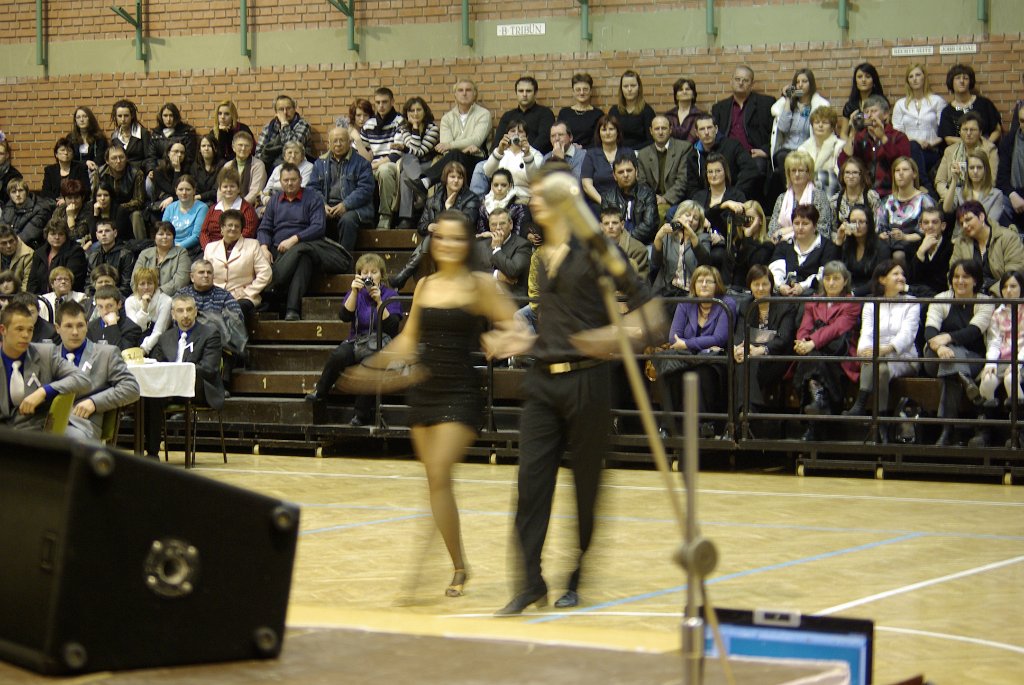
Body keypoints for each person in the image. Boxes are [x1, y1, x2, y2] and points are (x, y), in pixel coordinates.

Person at [487, 165, 647, 615]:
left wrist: (617, 335)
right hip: (543, 379)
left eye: (542, 192)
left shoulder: (597, 249)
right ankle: (530, 582)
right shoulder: (540, 256)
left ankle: (576, 572)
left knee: (585, 487)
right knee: (530, 485)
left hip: (588, 381)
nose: (534, 200)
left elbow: (647, 305)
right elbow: (553, 322)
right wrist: (522, 340)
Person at [349, 210, 519, 599]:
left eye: (456, 238)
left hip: (461, 391)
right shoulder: (425, 284)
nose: (447, 244)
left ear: (468, 243)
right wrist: (370, 368)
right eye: (441, 237)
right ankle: (459, 565)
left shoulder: (480, 285)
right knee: (436, 484)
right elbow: (408, 341)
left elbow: (515, 326)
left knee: (440, 472)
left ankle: (421, 570)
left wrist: (500, 341)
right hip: (425, 388)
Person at [305, 253, 403, 426]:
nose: (369, 276)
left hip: (381, 344)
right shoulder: (355, 293)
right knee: (338, 355)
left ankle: (361, 414)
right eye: (364, 272)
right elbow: (344, 316)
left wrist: (379, 301)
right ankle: (320, 393)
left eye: (374, 272)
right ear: (359, 275)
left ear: (381, 275)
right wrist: (354, 292)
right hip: (358, 341)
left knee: (370, 363)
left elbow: (392, 326)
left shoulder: (390, 295)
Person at [259, 164, 348, 321]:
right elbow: (264, 228)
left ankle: (272, 290)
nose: (290, 183)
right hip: (278, 250)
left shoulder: (312, 198)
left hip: (308, 244)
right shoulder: (274, 201)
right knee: (302, 257)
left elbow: (318, 227)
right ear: (280, 182)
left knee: (302, 252)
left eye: (293, 180)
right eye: (286, 180)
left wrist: (294, 239)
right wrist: (264, 248)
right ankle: (291, 310)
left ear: (300, 180)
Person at [654, 265, 734, 438]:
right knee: (669, 370)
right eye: (700, 281)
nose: (704, 284)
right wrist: (700, 344)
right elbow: (674, 338)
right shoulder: (685, 303)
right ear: (694, 285)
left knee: (702, 373)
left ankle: (704, 426)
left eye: (709, 281)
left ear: (717, 285)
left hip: (712, 360)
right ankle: (667, 426)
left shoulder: (726, 304)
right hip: (687, 357)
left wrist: (687, 343)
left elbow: (719, 338)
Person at [143, 294, 225, 458]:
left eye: (189, 310)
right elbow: (157, 365)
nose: (185, 315)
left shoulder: (210, 334)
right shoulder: (165, 337)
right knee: (149, 395)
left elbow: (208, 369)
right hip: (169, 388)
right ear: (173, 314)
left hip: (198, 387)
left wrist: (178, 374)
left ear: (196, 311)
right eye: (180, 311)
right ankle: (151, 453)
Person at [924, 259, 994, 446]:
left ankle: (947, 431)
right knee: (949, 359)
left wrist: (946, 338)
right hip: (936, 357)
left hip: (973, 360)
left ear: (975, 280)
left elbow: (973, 331)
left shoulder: (985, 302)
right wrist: (940, 347)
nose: (960, 281)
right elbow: (930, 330)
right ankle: (965, 380)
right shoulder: (941, 298)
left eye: (966, 277)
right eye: (956, 277)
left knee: (951, 371)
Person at [845, 260, 920, 428]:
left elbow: (907, 335)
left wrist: (883, 350)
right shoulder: (872, 303)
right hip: (876, 357)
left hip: (903, 357)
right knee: (880, 368)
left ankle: (861, 405)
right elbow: (867, 332)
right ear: (882, 279)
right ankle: (881, 422)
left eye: (902, 274)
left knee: (877, 362)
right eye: (895, 274)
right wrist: (865, 350)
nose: (901, 277)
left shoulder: (912, 302)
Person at [0, 300, 90, 438]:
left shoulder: (45, 354)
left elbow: (83, 379)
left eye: (30, 330)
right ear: (3, 330)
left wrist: (44, 391)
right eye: (19, 329)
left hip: (35, 434)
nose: (25, 335)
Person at [792, 260, 861, 439]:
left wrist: (811, 343)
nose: (831, 283)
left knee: (814, 361)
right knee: (814, 362)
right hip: (815, 354)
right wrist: (802, 341)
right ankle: (818, 403)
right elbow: (805, 326)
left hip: (840, 354)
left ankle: (812, 426)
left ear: (845, 281)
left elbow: (836, 329)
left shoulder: (852, 303)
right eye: (827, 278)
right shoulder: (813, 301)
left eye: (836, 279)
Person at [53, 299, 140, 440]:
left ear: (87, 326)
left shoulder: (106, 354)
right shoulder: (48, 355)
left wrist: (94, 402)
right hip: (45, 423)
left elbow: (131, 388)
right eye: (68, 326)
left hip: (81, 425)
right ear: (57, 328)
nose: (75, 332)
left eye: (80, 325)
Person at [390, 161, 481, 289]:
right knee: (431, 238)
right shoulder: (433, 199)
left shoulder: (471, 198)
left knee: (430, 239)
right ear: (445, 179)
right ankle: (415, 283)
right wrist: (428, 226)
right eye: (452, 177)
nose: (456, 181)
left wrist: (449, 209)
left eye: (460, 177)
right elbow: (421, 226)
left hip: (461, 241)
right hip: (437, 245)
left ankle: (404, 275)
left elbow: (467, 223)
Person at [732, 264, 797, 423]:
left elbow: (784, 339)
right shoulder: (746, 305)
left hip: (776, 358)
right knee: (743, 361)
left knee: (747, 362)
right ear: (750, 286)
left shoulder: (785, 306)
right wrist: (738, 348)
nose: (760, 288)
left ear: (771, 285)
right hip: (751, 356)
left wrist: (762, 350)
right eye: (756, 284)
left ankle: (746, 412)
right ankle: (748, 411)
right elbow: (739, 333)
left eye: (764, 284)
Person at [308, 127, 376, 255]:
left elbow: (365, 189)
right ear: (329, 143)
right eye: (334, 141)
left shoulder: (362, 163)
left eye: (342, 140)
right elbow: (312, 188)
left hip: (356, 209)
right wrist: (322, 205)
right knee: (315, 217)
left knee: (347, 220)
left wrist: (345, 205)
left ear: (349, 142)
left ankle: (344, 260)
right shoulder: (319, 164)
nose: (338, 144)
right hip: (328, 207)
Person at [711, 65, 776, 191]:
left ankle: (737, 197)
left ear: (752, 84)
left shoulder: (766, 103)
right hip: (728, 155)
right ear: (731, 81)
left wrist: (766, 151)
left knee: (755, 168)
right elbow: (716, 136)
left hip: (754, 155)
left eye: (745, 80)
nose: (740, 83)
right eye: (737, 79)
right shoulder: (719, 108)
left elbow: (775, 133)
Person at [204, 209, 273, 320]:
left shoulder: (252, 245)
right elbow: (205, 275)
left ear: (241, 229)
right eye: (229, 225)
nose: (233, 228)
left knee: (234, 309)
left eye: (237, 226)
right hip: (215, 296)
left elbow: (266, 273)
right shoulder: (210, 248)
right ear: (222, 228)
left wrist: (248, 291)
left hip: (243, 297)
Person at [838, 95, 911, 198]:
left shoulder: (898, 137)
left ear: (885, 114)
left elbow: (902, 164)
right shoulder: (860, 137)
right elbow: (843, 163)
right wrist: (853, 132)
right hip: (863, 194)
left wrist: (883, 137)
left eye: (873, 111)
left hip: (891, 193)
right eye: (866, 112)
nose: (869, 115)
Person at [424, 79, 491, 187]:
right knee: (454, 154)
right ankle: (424, 182)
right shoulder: (447, 118)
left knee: (454, 153)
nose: (464, 93)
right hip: (454, 160)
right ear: (455, 94)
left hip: (476, 160)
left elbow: (476, 140)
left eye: (468, 90)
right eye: (460, 90)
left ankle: (425, 181)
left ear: (475, 94)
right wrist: (461, 150)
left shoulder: (483, 114)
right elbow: (446, 150)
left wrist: (451, 145)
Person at [950, 200, 1024, 294]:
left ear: (981, 216)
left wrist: (992, 292)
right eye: (961, 223)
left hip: (1001, 295)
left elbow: (1015, 272)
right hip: (970, 296)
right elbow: (953, 273)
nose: (964, 225)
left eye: (968, 220)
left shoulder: (1008, 237)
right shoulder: (961, 243)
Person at [892, 64, 946, 191]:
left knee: (916, 156)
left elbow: (944, 130)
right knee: (913, 146)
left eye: (918, 75)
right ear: (908, 81)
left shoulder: (937, 101)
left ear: (924, 77)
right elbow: (896, 132)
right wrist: (915, 141)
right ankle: (925, 186)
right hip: (907, 151)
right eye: (911, 76)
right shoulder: (900, 104)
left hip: (931, 150)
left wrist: (931, 143)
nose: (914, 79)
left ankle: (923, 185)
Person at [978, 271, 1024, 419]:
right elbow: (994, 341)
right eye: (1004, 287)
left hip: (1021, 359)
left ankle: (1018, 423)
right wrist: (991, 363)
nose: (1008, 290)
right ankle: (987, 423)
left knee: (1011, 379)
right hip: (1003, 358)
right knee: (987, 380)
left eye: (1013, 286)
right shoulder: (998, 313)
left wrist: (1018, 363)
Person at [767, 204, 840, 297]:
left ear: (814, 226)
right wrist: (781, 286)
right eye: (796, 223)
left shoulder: (827, 247)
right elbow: (775, 271)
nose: (800, 227)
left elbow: (825, 275)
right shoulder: (784, 245)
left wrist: (803, 286)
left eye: (805, 223)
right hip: (785, 297)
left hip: (815, 298)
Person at [683, 114, 760, 201]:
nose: (706, 132)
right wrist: (704, 201)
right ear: (697, 133)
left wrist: (735, 195)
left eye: (709, 128)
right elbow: (692, 187)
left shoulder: (733, 146)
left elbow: (750, 170)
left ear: (716, 129)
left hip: (734, 199)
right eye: (702, 129)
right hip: (706, 201)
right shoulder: (693, 156)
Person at [770, 69, 830, 176]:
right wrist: (788, 99)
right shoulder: (791, 105)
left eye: (804, 81)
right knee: (781, 158)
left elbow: (814, 130)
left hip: (807, 150)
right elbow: (783, 128)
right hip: (787, 149)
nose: (800, 85)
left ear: (811, 84)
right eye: (797, 82)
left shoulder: (816, 106)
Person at [392, 97, 440, 228]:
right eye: (411, 110)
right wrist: (414, 127)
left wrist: (414, 128)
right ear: (406, 113)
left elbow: (420, 152)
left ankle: (406, 218)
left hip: (428, 164)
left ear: (425, 111)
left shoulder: (432, 129)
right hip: (412, 164)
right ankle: (419, 190)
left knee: (404, 174)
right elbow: (413, 150)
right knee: (408, 159)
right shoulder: (404, 128)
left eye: (418, 110)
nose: (415, 113)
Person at [361, 87, 405, 229]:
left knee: (384, 170)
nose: (381, 106)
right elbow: (360, 150)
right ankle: (362, 217)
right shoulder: (369, 124)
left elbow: (395, 155)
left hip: (393, 165)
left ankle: (386, 215)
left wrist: (371, 166)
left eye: (385, 102)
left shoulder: (400, 121)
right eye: (378, 102)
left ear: (392, 102)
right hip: (373, 165)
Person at [876, 156, 934, 262]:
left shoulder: (924, 201)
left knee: (898, 254)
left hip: (915, 246)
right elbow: (879, 228)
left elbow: (929, 231)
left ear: (914, 174)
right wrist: (883, 235)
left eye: (905, 170)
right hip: (889, 245)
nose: (900, 173)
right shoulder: (886, 201)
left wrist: (905, 237)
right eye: (897, 170)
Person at [767, 150, 833, 242]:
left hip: (812, 245)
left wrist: (788, 231)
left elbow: (823, 230)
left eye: (801, 170)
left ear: (809, 173)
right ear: (788, 174)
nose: (797, 174)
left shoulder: (819, 197)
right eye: (793, 170)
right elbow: (772, 232)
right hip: (783, 245)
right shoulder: (781, 198)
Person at [651, 200, 711, 298]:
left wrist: (691, 234)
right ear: (678, 217)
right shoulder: (668, 236)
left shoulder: (703, 238)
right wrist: (658, 237)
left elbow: (705, 261)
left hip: (690, 293)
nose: (691, 219)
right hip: (665, 291)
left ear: (699, 224)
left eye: (695, 218)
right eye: (687, 215)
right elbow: (656, 262)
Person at [942, 150, 1010, 234]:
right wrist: (954, 181)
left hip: (983, 238)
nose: (975, 171)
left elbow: (990, 224)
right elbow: (946, 209)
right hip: (960, 238)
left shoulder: (997, 195)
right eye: (971, 167)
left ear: (985, 169)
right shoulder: (959, 191)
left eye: (979, 167)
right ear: (967, 170)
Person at [934, 112, 999, 201]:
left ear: (980, 132)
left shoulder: (990, 150)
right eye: (965, 129)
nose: (968, 133)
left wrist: (970, 200)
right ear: (960, 132)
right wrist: (950, 198)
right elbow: (940, 181)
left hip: (980, 198)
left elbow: (991, 181)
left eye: (972, 130)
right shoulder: (950, 151)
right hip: (953, 197)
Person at [636, 115, 691, 218]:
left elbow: (682, 181)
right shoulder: (643, 154)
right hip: (652, 200)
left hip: (675, 200)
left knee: (659, 213)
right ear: (651, 131)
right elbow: (642, 182)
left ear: (670, 130)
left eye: (664, 128)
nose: (660, 132)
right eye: (657, 129)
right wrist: (653, 198)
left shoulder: (683, 148)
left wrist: (665, 199)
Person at [938, 64, 1002, 146]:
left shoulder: (984, 104)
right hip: (959, 151)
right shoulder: (947, 111)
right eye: (958, 78)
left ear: (970, 82)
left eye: (965, 78)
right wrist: (972, 144)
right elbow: (948, 139)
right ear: (951, 82)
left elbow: (997, 130)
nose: (962, 81)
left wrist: (986, 145)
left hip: (985, 149)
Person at [599, 154, 658, 245]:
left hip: (643, 243)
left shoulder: (648, 194)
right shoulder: (608, 197)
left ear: (636, 172)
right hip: (616, 244)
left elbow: (649, 226)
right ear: (614, 176)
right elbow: (607, 226)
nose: (626, 175)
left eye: (629, 170)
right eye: (621, 172)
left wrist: (626, 239)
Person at [835, 204, 891, 296]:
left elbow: (878, 279)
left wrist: (854, 294)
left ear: (869, 224)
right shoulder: (847, 245)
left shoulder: (882, 248)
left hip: (870, 294)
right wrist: (839, 240)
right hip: (847, 292)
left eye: (861, 222)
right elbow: (835, 269)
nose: (857, 226)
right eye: (853, 222)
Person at [92, 145, 145, 241]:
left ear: (126, 158)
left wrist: (119, 208)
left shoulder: (136, 173)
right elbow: (95, 195)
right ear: (107, 161)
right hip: (106, 208)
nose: (118, 161)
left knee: (137, 215)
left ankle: (140, 245)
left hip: (128, 210)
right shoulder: (100, 173)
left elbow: (139, 200)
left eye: (121, 157)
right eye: (114, 158)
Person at [479, 119, 542, 197]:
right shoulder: (500, 151)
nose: (516, 134)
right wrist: (499, 151)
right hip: (499, 196)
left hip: (523, 197)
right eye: (512, 131)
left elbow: (534, 180)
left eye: (520, 131)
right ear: (507, 134)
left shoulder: (535, 154)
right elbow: (488, 172)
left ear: (527, 136)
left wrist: (527, 154)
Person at [199, 167, 259, 249]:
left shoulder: (247, 209)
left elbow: (247, 233)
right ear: (220, 189)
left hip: (237, 250)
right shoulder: (213, 209)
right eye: (225, 186)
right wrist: (209, 249)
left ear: (238, 189)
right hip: (211, 250)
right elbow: (203, 232)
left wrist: (225, 249)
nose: (228, 189)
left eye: (232, 186)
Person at [581, 115, 632, 208]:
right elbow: (586, 185)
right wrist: (604, 203)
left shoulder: (628, 152)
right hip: (598, 203)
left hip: (626, 202)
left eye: (611, 129)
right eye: (604, 130)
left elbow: (634, 181)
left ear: (617, 132)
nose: (608, 133)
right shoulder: (591, 154)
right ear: (599, 133)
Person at [479, 207, 532, 297]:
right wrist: (496, 275)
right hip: (485, 298)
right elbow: (473, 270)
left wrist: (496, 249)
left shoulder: (522, 245)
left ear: (511, 225)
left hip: (512, 299)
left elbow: (513, 270)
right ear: (489, 227)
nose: (498, 228)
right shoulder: (481, 245)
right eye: (494, 224)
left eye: (502, 223)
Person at [28, 220, 87, 294]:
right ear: (47, 235)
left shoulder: (75, 252)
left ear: (66, 236)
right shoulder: (39, 253)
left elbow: (72, 281)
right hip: (41, 297)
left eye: (61, 234)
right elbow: (32, 282)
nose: (57, 237)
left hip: (68, 296)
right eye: (53, 234)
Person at [133, 221, 191, 296]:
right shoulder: (145, 254)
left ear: (173, 237)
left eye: (168, 234)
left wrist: (156, 293)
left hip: (172, 297)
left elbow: (181, 281)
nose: (165, 237)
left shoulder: (181, 253)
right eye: (161, 234)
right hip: (143, 295)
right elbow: (134, 279)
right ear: (154, 237)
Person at [255, 94, 313, 169]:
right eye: (281, 109)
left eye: (288, 108)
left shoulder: (303, 125)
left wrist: (284, 124)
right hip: (271, 168)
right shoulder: (268, 128)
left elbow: (292, 145)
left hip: (298, 168)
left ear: (294, 109)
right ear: (276, 112)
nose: (285, 112)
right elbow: (258, 154)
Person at [797, 106, 842, 198]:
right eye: (817, 122)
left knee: (821, 176)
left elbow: (839, 174)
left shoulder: (839, 146)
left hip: (833, 187)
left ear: (832, 127)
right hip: (809, 188)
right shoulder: (803, 148)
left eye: (825, 122)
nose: (820, 125)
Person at [908, 207, 954, 297]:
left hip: (943, 297)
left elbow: (943, 281)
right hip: (917, 297)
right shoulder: (911, 247)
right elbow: (911, 280)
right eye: (926, 222)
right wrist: (921, 251)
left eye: (935, 222)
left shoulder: (951, 248)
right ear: (921, 226)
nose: (930, 226)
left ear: (943, 226)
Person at [125, 266, 172, 354]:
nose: (146, 287)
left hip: (157, 343)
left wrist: (144, 349)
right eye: (142, 284)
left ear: (155, 284)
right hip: (135, 340)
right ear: (136, 286)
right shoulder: (130, 301)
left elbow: (159, 331)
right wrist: (144, 309)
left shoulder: (166, 301)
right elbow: (135, 329)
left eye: (150, 283)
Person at [830, 157, 881, 235]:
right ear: (842, 175)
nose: (851, 176)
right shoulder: (835, 201)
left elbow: (877, 227)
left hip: (868, 240)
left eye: (854, 172)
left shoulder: (872, 197)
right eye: (847, 172)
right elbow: (833, 230)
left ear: (861, 175)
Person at [608, 70, 656, 151]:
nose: (629, 89)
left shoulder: (647, 111)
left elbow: (651, 140)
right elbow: (609, 136)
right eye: (625, 86)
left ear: (639, 88)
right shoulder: (614, 111)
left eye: (633, 85)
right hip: (617, 153)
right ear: (621, 89)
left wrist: (631, 151)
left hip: (640, 153)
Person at [162, 174, 208, 255]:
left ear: (194, 191)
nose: (184, 193)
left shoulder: (202, 208)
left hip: (190, 250)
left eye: (188, 189)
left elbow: (196, 236)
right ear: (176, 191)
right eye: (180, 189)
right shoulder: (170, 208)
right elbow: (163, 231)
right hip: (169, 247)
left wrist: (177, 247)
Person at [1, 177, 53, 249]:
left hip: (31, 248)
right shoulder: (8, 206)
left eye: (20, 190)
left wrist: (5, 244)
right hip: (9, 246)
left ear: (27, 192)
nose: (17, 194)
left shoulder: (40, 208)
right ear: (9, 195)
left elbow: (27, 236)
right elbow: (1, 229)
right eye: (13, 192)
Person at [86, 285, 143, 351]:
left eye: (109, 306)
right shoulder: (90, 327)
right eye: (100, 307)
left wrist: (112, 326)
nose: (105, 312)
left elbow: (120, 353)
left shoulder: (131, 329)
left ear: (119, 305)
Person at [476, 169, 530, 237]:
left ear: (510, 186)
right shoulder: (484, 207)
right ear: (491, 186)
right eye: (496, 185)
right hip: (488, 242)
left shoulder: (519, 208)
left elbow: (518, 235)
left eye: (503, 185)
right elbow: (482, 233)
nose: (499, 188)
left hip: (512, 243)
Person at [86, 221, 134, 298]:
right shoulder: (93, 255)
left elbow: (126, 286)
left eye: (107, 231)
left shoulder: (125, 254)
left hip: (119, 297)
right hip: (96, 297)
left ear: (115, 233)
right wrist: (91, 298)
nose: (103, 234)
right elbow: (89, 283)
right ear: (97, 235)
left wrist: (109, 298)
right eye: (100, 232)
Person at [600, 207, 649, 282]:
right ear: (601, 227)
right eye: (606, 223)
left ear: (622, 225)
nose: (610, 226)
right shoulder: (593, 247)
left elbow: (640, 282)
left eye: (615, 223)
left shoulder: (638, 249)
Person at [839, 63, 886, 140]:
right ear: (855, 81)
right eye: (860, 77)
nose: (863, 80)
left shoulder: (881, 103)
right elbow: (843, 134)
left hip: (876, 142)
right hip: (854, 142)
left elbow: (886, 129)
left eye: (868, 77)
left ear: (874, 80)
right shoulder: (850, 106)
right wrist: (850, 144)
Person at [557, 73, 604, 149]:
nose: (582, 93)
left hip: (590, 153)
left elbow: (598, 139)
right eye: (578, 90)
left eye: (585, 89)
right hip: (567, 152)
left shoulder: (598, 114)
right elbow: (559, 135)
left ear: (591, 91)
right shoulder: (564, 113)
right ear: (573, 92)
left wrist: (582, 151)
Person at [261, 141, 314, 207]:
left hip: (295, 204)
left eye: (296, 153)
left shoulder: (308, 167)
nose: (293, 156)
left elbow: (300, 189)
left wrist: (275, 190)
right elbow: (266, 191)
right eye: (289, 152)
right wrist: (268, 201)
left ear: (302, 156)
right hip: (272, 203)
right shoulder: (278, 168)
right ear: (284, 156)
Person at [146, 103, 197, 172]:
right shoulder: (156, 134)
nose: (168, 119)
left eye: (171, 115)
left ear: (176, 116)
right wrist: (151, 170)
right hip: (160, 170)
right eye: (165, 116)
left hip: (180, 170)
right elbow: (151, 157)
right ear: (161, 117)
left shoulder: (187, 133)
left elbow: (189, 157)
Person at [996, 105, 1024, 227]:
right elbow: (1002, 176)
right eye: (1022, 121)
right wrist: (1012, 194)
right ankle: (1013, 235)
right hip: (1016, 193)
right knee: (998, 201)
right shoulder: (1009, 141)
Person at [148, 142, 189, 221]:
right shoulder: (158, 171)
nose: (179, 155)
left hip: (181, 202)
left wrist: (177, 170)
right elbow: (173, 190)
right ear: (168, 153)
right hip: (162, 204)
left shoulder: (187, 170)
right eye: (176, 151)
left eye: (182, 152)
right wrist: (177, 169)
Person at [50, 178, 93, 250]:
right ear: (64, 199)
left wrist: (70, 217)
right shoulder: (60, 210)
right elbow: (53, 230)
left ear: (82, 198)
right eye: (69, 198)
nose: (73, 201)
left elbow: (76, 238)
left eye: (76, 197)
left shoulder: (88, 211)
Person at [228, 130, 267, 209]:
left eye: (246, 146)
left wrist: (238, 207)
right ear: (233, 147)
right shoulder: (227, 166)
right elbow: (221, 191)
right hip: (228, 206)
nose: (243, 148)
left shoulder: (258, 165)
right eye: (240, 145)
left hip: (249, 207)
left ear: (251, 148)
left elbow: (255, 192)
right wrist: (223, 205)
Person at [108, 99, 150, 171]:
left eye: (126, 116)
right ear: (116, 117)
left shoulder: (143, 133)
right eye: (119, 116)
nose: (123, 119)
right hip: (121, 174)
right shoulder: (114, 136)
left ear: (132, 116)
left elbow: (149, 158)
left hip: (140, 172)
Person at [69, 106, 108, 175]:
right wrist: (85, 163)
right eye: (78, 117)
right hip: (76, 174)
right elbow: (70, 159)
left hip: (96, 173)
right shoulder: (71, 138)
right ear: (75, 121)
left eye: (84, 116)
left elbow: (101, 157)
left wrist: (92, 166)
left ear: (90, 118)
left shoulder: (99, 138)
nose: (81, 120)